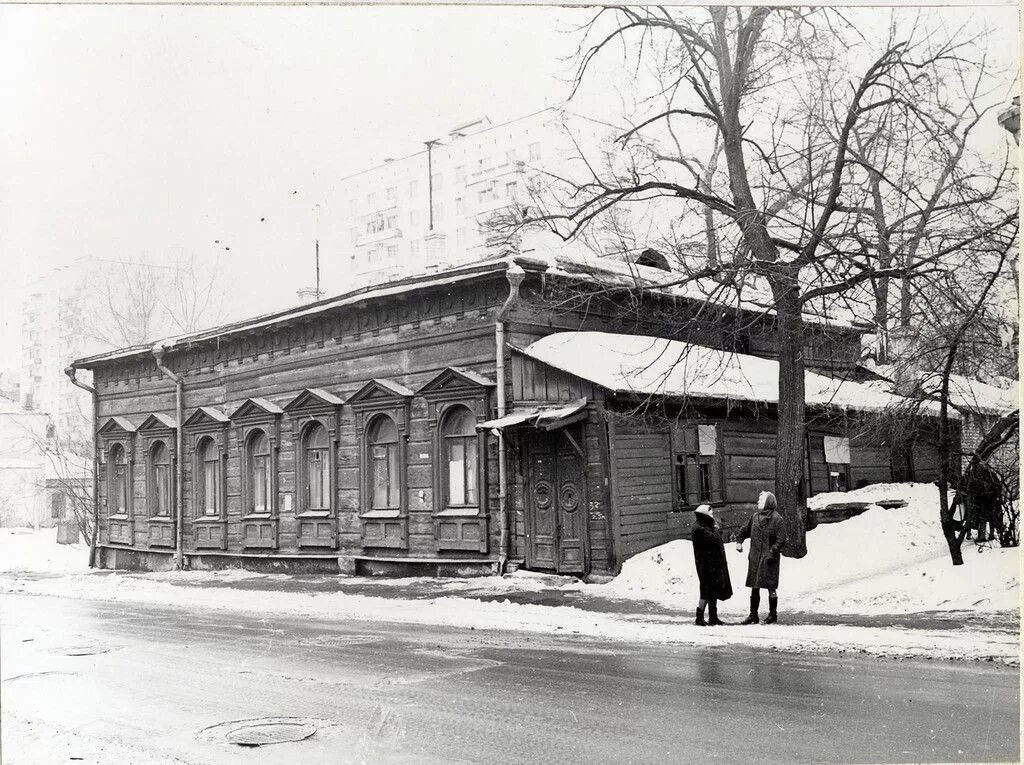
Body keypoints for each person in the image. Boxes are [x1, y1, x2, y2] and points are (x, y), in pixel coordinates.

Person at [735, 491, 788, 624]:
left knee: (771, 586)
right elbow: (744, 530)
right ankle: (753, 615)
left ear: (768, 502)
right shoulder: (754, 517)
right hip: (755, 557)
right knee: (754, 585)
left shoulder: (777, 519)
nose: (758, 502)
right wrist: (739, 541)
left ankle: (773, 615)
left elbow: (782, 539)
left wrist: (772, 551)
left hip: (769, 559)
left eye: (761, 500)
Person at [690, 504, 732, 626]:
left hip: (711, 564)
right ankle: (699, 617)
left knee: (712, 590)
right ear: (705, 515)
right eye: (711, 514)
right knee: (705, 590)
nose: (712, 516)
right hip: (705, 564)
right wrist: (716, 529)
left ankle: (713, 617)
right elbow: (714, 539)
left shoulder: (703, 526)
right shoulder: (700, 529)